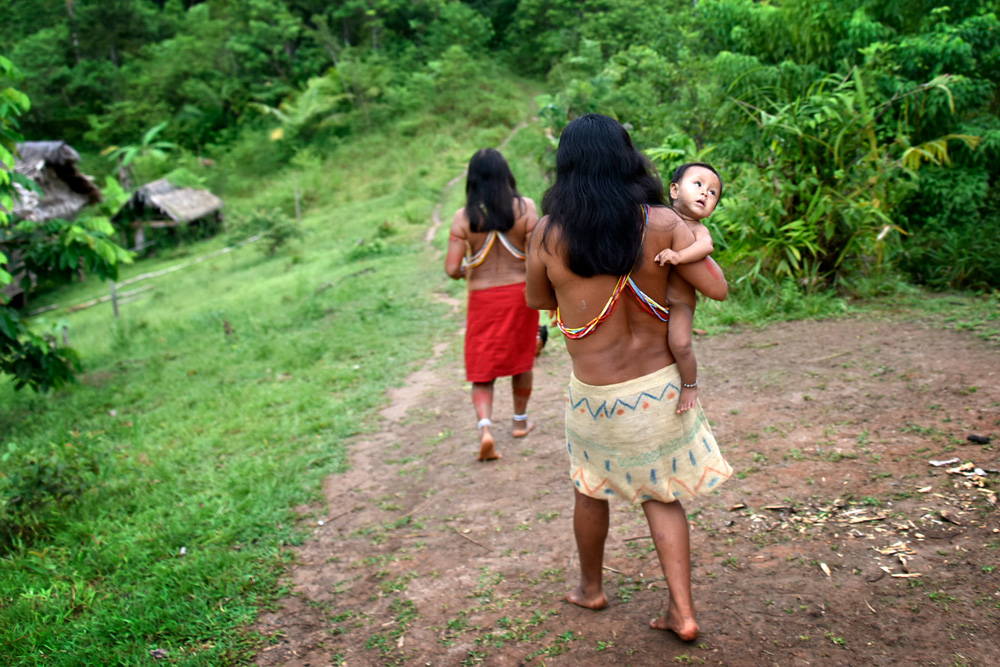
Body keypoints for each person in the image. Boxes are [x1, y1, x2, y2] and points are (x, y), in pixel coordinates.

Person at [526, 114, 732, 642]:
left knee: (588, 488)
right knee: (662, 497)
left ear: (566, 166)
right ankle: (682, 612)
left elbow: (539, 301)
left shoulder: (547, 234)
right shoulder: (662, 222)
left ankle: (590, 588)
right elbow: (715, 287)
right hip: (663, 388)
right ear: (628, 158)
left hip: (595, 397)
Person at [445, 148, 539, 461]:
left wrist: (465, 270)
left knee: (482, 367)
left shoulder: (463, 218)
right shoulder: (525, 208)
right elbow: (538, 255)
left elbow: (451, 269)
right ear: (506, 174)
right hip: (519, 295)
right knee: (520, 360)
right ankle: (520, 422)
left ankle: (485, 427)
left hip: (482, 299)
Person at [652, 162, 723, 414]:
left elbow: (706, 247)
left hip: (679, 302)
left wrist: (679, 256)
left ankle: (690, 385)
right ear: (674, 190)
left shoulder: (698, 229)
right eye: (698, 184)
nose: (705, 193)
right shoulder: (658, 217)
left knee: (680, 344)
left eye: (713, 193)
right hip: (652, 301)